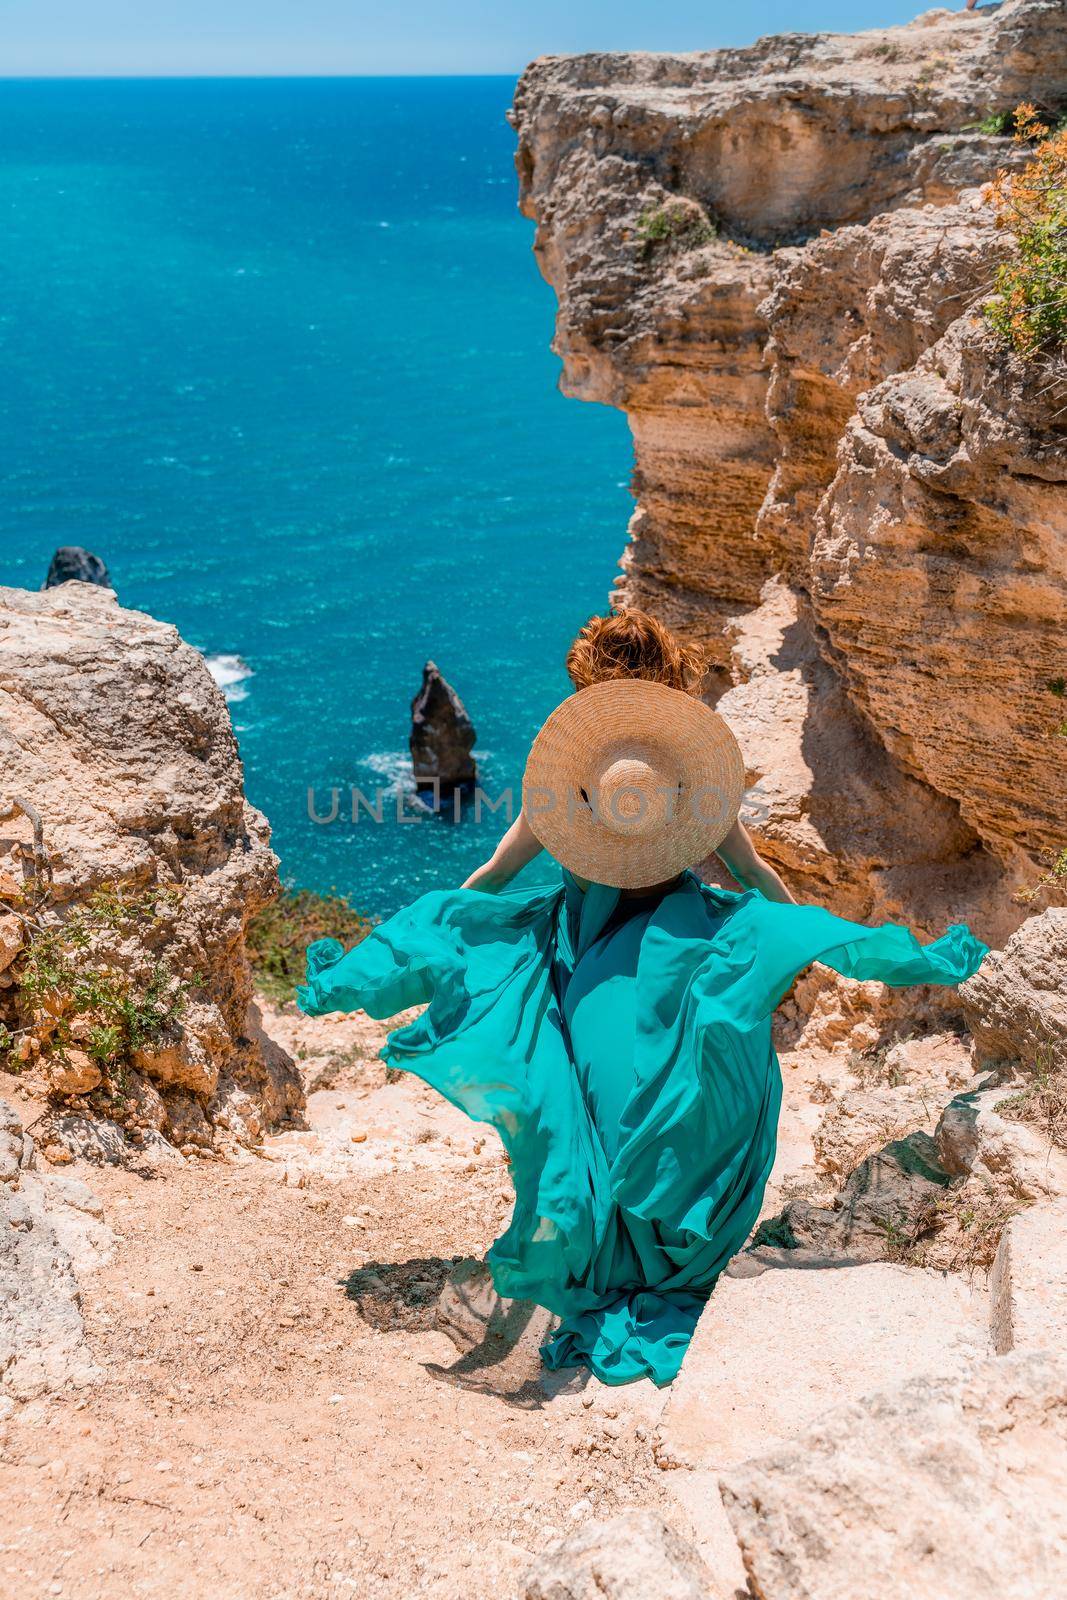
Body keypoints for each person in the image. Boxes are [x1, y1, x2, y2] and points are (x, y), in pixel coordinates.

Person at [299, 609, 988, 1386]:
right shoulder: (681, 781)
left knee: (594, 1113)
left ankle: (606, 1259)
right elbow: (756, 879)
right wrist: (791, 938)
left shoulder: (569, 782)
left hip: (583, 953)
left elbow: (492, 875)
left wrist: (435, 935)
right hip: (680, 948)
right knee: (688, 1096)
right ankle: (665, 1257)